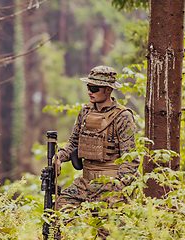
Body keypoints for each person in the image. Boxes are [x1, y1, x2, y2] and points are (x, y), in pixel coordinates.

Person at [52, 65, 139, 238]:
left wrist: (119, 189)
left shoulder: (123, 117)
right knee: (57, 216)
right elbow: (73, 143)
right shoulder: (85, 112)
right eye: (88, 87)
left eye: (94, 88)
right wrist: (59, 157)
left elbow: (131, 160)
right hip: (86, 182)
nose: (89, 92)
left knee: (108, 233)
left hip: (111, 185)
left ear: (108, 90)